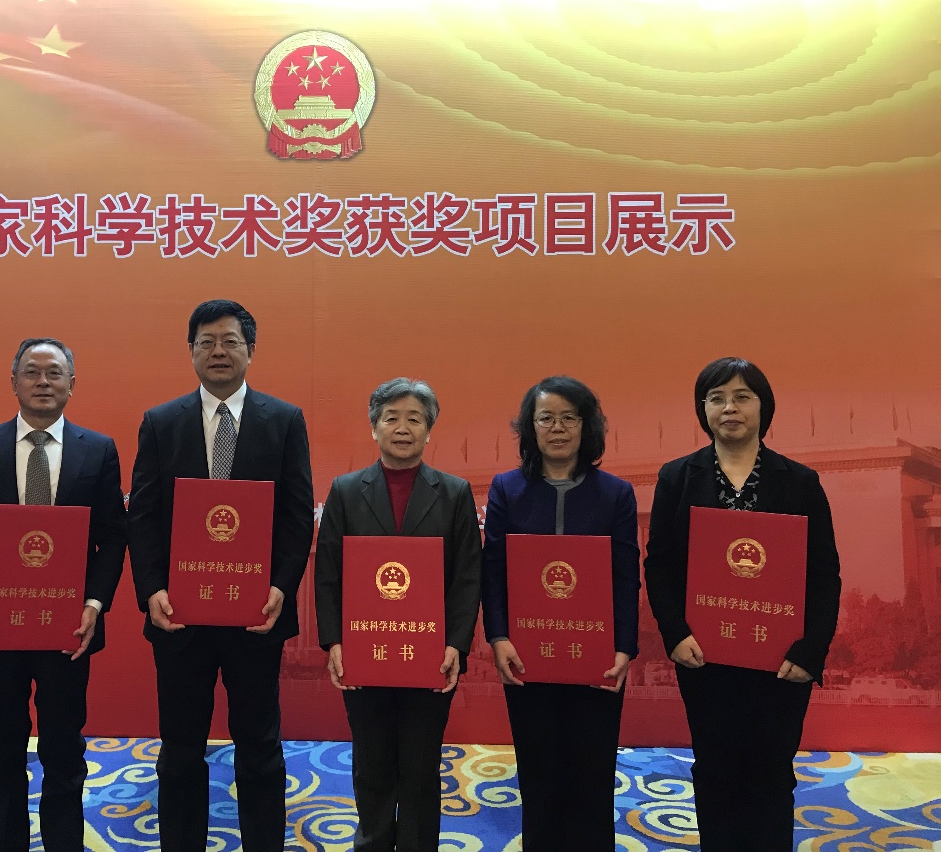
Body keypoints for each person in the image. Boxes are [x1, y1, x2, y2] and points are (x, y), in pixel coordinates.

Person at [127, 299, 314, 852]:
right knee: (181, 747)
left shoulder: (284, 420)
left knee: (259, 745)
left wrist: (281, 587)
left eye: (230, 341)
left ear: (250, 351)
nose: (218, 351)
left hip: (256, 614)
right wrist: (152, 589)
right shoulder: (161, 423)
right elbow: (143, 515)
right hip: (179, 616)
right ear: (191, 352)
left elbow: (296, 514)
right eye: (206, 342)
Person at [644, 357, 842, 852]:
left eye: (741, 397)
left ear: (763, 407)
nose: (729, 408)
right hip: (704, 656)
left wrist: (809, 651)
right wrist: (675, 634)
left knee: (771, 770)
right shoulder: (677, 478)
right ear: (703, 410)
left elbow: (824, 575)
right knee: (715, 768)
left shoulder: (799, 481)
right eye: (716, 398)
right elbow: (660, 565)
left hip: (780, 661)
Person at [0, 338, 128, 852]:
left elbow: (113, 537)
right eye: (31, 372)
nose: (43, 381)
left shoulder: (97, 449)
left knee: (64, 750)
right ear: (14, 381)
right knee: (2, 750)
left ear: (71, 383)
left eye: (54, 373)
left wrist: (94, 605)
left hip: (68, 626)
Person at [314, 377, 481, 852]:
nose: (403, 428)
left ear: (429, 430)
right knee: (372, 765)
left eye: (414, 419)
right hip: (365, 653)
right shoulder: (346, 490)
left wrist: (456, 644)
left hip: (429, 656)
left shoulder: (454, 493)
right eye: (391, 418)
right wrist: (334, 641)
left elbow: (467, 576)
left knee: (421, 767)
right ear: (374, 428)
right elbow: (328, 573)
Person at [480, 376, 639, 852]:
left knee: (592, 772)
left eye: (570, 417)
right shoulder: (507, 489)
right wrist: (498, 637)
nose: (558, 428)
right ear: (530, 427)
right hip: (527, 655)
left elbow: (626, 575)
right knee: (539, 771)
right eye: (546, 417)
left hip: (597, 657)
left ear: (587, 426)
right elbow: (493, 569)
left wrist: (623, 647)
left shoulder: (615, 494)